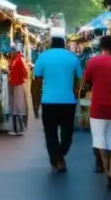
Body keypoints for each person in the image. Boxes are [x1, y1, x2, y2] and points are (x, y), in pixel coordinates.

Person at [32, 30, 83, 172]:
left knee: (51, 133)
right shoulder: (72, 58)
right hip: (68, 102)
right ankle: (60, 156)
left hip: (49, 102)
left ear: (51, 44)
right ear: (64, 44)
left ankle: (57, 158)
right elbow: (79, 81)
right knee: (67, 134)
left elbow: (36, 83)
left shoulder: (42, 57)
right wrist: (75, 94)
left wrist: (35, 104)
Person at [83, 35, 111, 188]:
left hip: (97, 108)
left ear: (101, 46)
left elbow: (86, 82)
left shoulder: (93, 62)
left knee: (100, 138)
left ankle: (106, 167)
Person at [8, 46, 29, 136]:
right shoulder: (18, 59)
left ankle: (20, 129)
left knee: (18, 107)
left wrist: (15, 83)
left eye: (11, 52)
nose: (10, 54)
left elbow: (23, 73)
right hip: (18, 84)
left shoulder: (18, 60)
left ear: (15, 52)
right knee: (17, 107)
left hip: (18, 85)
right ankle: (17, 129)